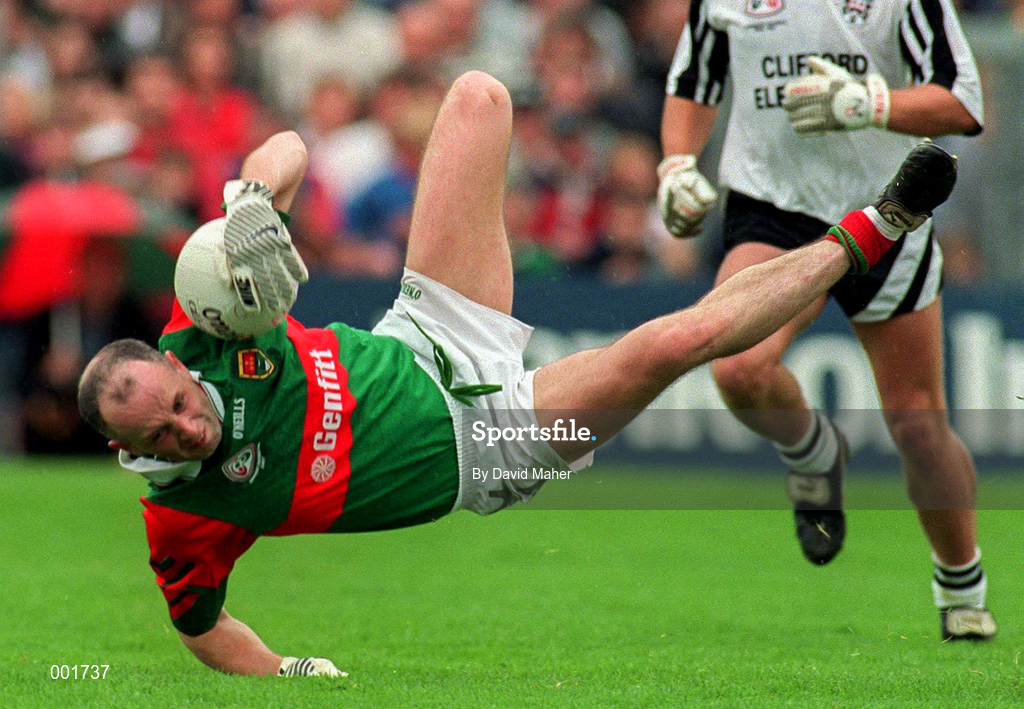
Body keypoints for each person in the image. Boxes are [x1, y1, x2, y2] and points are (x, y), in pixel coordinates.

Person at [77, 70, 958, 677]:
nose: (186, 428)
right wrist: (284, 669)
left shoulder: (201, 321)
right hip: (486, 448)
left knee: (477, 97)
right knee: (663, 347)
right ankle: (875, 228)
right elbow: (199, 631)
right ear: (128, 453)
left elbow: (286, 146)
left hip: (427, 331)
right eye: (158, 438)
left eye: (180, 406)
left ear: (173, 363)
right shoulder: (183, 516)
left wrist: (250, 203)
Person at [656, 0, 992, 642]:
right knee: (734, 366)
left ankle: (962, 587)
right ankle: (814, 455)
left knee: (919, 425)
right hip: (772, 207)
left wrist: (870, 104)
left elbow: (963, 101)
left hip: (885, 215)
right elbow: (695, 82)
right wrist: (673, 164)